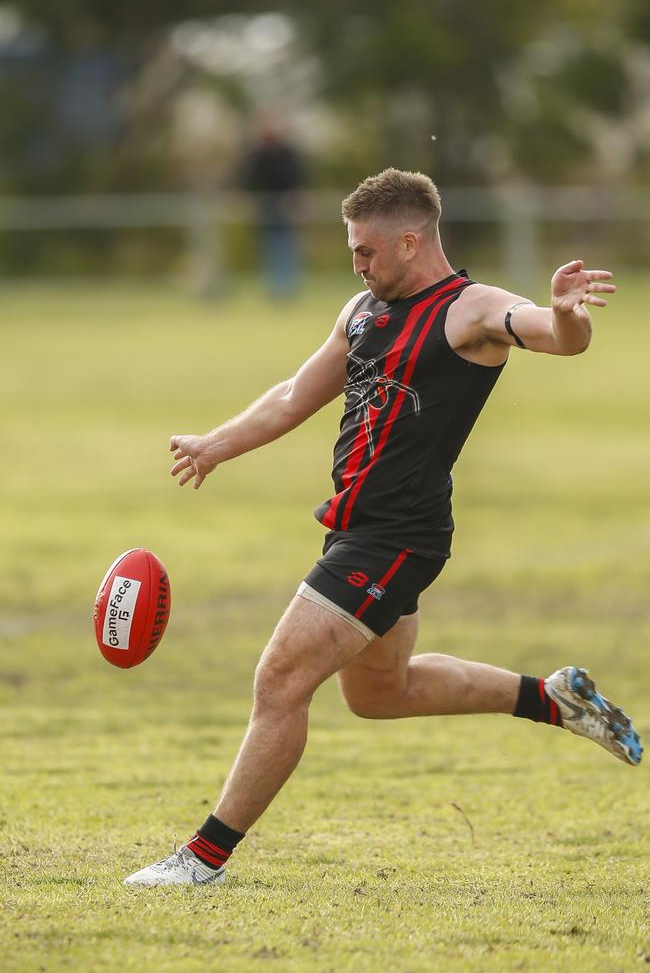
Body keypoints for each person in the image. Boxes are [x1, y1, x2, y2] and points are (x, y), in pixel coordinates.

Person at [125, 168, 642, 887]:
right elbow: (292, 394)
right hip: (353, 527)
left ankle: (203, 858)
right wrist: (218, 443)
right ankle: (551, 699)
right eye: (352, 253)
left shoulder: (471, 310)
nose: (358, 264)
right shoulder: (362, 311)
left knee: (279, 680)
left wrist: (569, 314)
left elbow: (554, 336)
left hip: (399, 537)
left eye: (366, 252)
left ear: (410, 239)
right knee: (379, 695)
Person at [241, 116, 305, 299]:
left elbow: (297, 180)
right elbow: (249, 182)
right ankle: (276, 289)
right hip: (266, 210)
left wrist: (295, 200)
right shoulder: (258, 156)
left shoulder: (289, 154)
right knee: (270, 249)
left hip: (286, 209)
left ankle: (288, 289)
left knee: (287, 248)